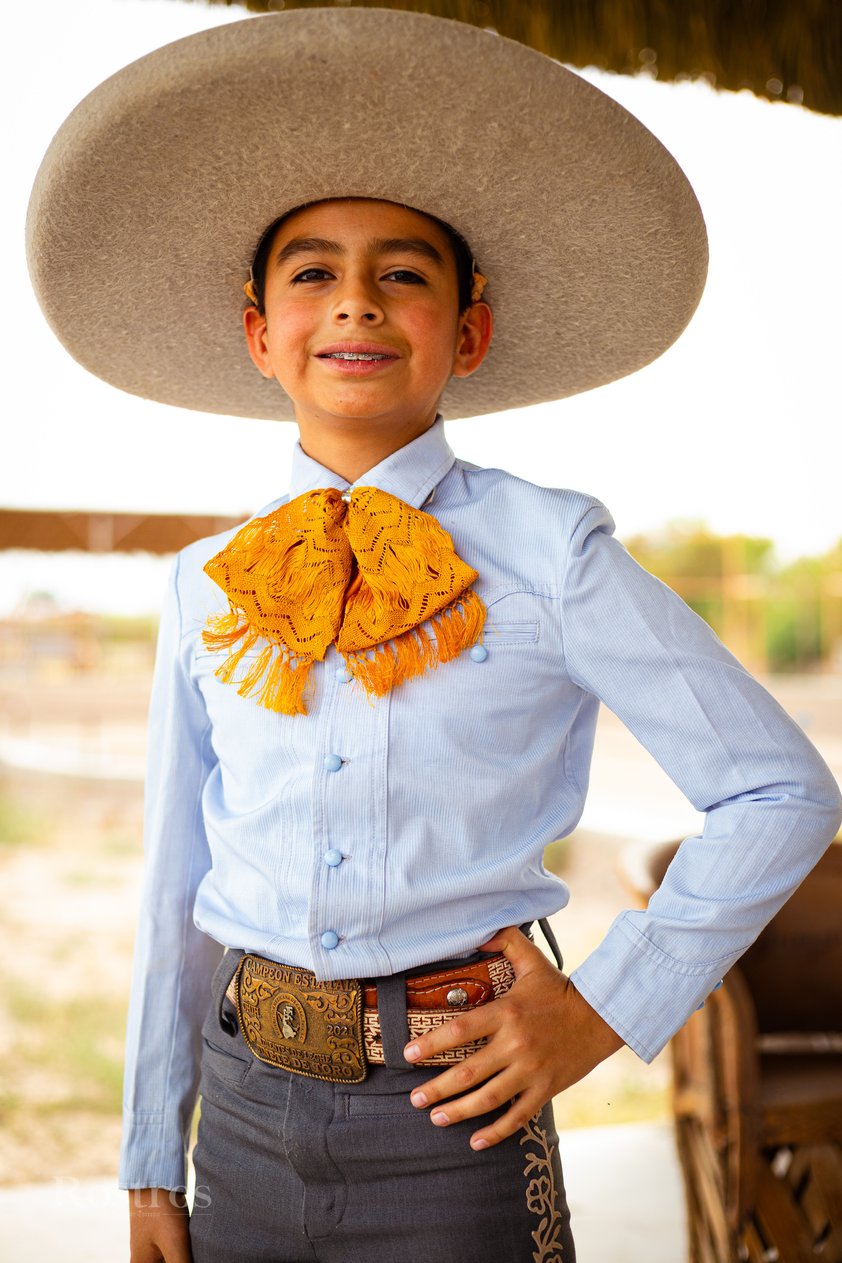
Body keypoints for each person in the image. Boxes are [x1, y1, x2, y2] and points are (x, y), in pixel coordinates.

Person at [26, 10, 841, 1263]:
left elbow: (778, 791)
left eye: (401, 272)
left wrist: (597, 1010)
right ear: (259, 334)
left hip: (448, 1116)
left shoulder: (550, 550)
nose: (355, 300)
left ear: (467, 331)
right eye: (311, 273)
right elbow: (177, 884)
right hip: (238, 1118)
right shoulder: (206, 584)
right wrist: (151, 1151)